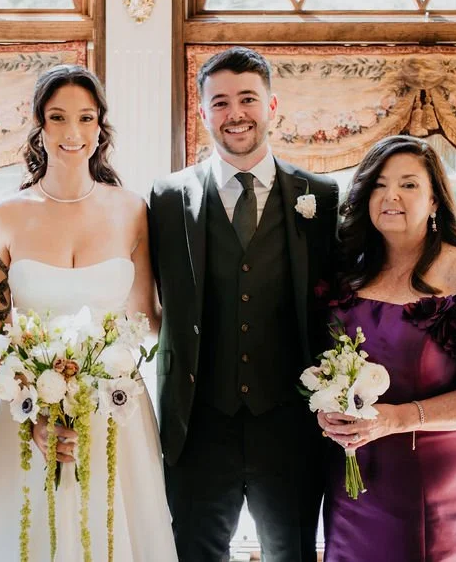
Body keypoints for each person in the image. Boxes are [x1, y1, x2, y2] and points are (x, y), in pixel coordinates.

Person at [0, 65, 176, 561]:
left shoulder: (133, 210)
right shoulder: (2, 215)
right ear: (39, 126)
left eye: (85, 118)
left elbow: (144, 319)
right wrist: (35, 409)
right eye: (57, 118)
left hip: (115, 411)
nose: (72, 133)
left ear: (100, 127)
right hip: (26, 414)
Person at [148, 46, 339, 562]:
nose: (236, 114)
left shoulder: (320, 198)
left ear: (272, 106)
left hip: (290, 424)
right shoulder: (167, 200)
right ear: (203, 112)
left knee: (293, 554)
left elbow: (338, 304)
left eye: (248, 99)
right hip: (198, 424)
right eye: (221, 102)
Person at [317, 135, 456, 562]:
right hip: (355, 473)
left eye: (409, 184)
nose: (390, 195)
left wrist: (400, 418)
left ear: (435, 200)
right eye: (378, 184)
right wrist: (329, 409)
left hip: (435, 477)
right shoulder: (348, 273)